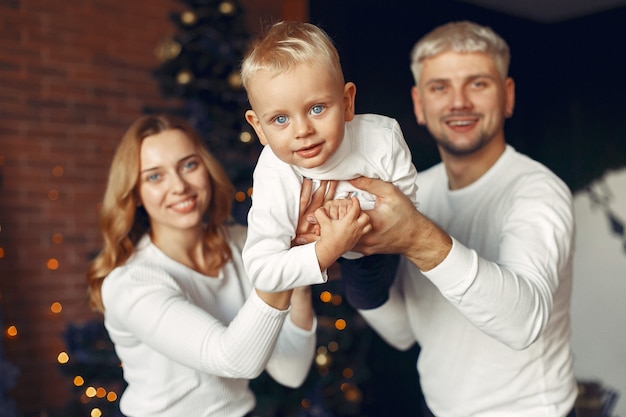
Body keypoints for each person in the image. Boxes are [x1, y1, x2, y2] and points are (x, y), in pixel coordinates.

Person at [324, 21, 578, 417]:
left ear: (507, 96)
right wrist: (356, 257)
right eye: (440, 87)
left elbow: (523, 324)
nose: (458, 102)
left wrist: (416, 238)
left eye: (478, 84)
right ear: (419, 104)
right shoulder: (410, 193)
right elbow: (404, 334)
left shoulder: (537, 192)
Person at [86, 114, 322, 417]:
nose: (179, 186)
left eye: (188, 165)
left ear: (206, 169)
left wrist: (297, 275)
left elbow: (291, 372)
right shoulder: (130, 283)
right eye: (155, 176)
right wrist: (283, 266)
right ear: (136, 194)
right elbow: (233, 360)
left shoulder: (241, 244)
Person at [240, 20, 418, 292]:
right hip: (315, 256)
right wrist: (329, 247)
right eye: (280, 118)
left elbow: (408, 210)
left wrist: (357, 220)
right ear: (259, 128)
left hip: (377, 251)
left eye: (317, 109)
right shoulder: (274, 170)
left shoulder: (382, 137)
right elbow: (261, 271)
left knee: (369, 296)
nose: (302, 131)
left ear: (347, 103)